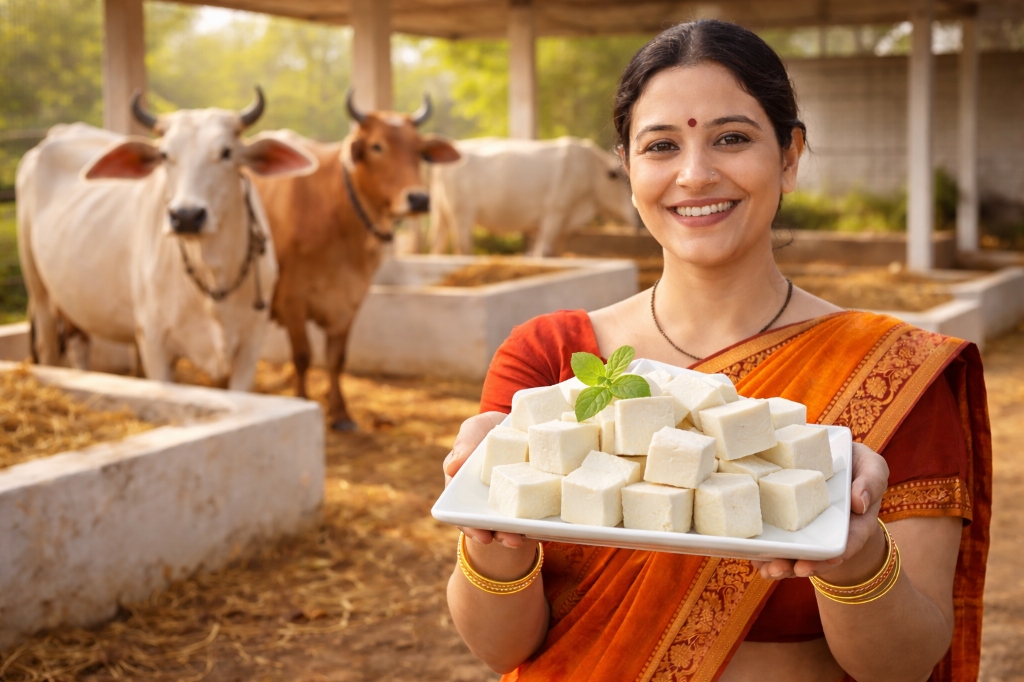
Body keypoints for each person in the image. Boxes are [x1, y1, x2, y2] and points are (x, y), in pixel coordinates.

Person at [442, 19, 991, 682]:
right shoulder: (553, 363)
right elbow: (502, 649)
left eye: (732, 139)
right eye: (661, 146)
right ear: (626, 166)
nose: (695, 175)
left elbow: (902, 664)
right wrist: (489, 535)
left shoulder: (894, 373)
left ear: (789, 156)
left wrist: (856, 558)